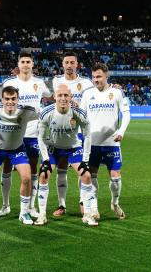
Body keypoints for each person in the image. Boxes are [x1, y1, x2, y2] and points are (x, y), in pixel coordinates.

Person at [0, 51, 52, 218]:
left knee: (32, 169)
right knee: (6, 166)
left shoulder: (39, 83)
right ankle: (5, 205)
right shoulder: (9, 82)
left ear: (32, 64)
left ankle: (31, 206)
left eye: (28, 61)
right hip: (12, 132)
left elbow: (51, 96)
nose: (26, 64)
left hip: (33, 132)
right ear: (18, 64)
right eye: (23, 61)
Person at [0, 86, 39, 225]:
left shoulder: (27, 111)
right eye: (7, 99)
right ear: (1, 99)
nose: (10, 102)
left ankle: (24, 213)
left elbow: (44, 113)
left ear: (18, 99)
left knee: (27, 177)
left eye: (13, 98)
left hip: (17, 149)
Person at [36, 84, 97, 226]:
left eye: (66, 95)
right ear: (55, 97)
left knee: (86, 175)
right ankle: (42, 215)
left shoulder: (79, 113)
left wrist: (86, 160)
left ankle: (87, 214)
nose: (63, 98)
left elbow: (88, 136)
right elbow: (40, 137)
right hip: (54, 148)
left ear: (70, 97)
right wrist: (45, 159)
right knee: (44, 175)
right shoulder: (46, 113)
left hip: (73, 148)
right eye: (60, 95)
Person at [81, 63, 130, 219]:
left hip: (111, 143)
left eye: (99, 77)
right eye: (94, 77)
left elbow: (126, 114)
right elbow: (81, 117)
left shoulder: (116, 93)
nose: (96, 80)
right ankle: (94, 208)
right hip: (92, 144)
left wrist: (121, 131)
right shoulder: (87, 94)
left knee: (115, 177)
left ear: (106, 76)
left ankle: (115, 203)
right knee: (92, 176)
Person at [51, 52, 94, 217]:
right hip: (61, 131)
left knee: (81, 167)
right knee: (61, 169)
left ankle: (83, 202)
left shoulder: (86, 83)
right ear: (63, 65)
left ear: (77, 64)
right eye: (66, 62)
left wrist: (113, 87)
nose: (69, 65)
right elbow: (49, 97)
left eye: (72, 62)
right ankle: (62, 205)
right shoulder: (56, 81)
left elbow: (94, 97)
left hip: (80, 132)